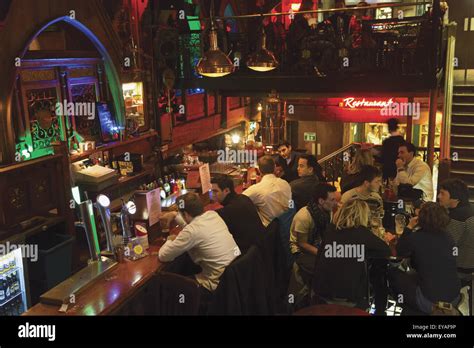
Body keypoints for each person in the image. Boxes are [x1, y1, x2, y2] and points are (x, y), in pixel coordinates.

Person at [312, 199, 391, 314]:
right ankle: (379, 310)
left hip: (321, 293)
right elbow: (386, 251)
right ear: (364, 215)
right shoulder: (363, 233)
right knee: (378, 271)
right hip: (351, 298)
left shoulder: (330, 231)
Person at [158, 192, 241, 296]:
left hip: (216, 285)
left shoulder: (191, 231)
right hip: (234, 277)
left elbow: (163, 256)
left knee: (167, 286)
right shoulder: (212, 215)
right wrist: (175, 215)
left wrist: (169, 240)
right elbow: (193, 225)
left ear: (185, 214)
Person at [389, 202, 461, 314]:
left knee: (393, 274)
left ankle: (406, 307)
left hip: (429, 302)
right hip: (454, 298)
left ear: (421, 218)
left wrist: (409, 227)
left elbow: (400, 252)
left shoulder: (416, 238)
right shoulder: (449, 237)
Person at [288, 183, 338, 309]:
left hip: (318, 246)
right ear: (321, 201)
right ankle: (313, 302)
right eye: (332, 200)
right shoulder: (304, 216)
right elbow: (302, 244)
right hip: (300, 252)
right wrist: (323, 254)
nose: (335, 203)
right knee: (327, 268)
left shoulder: (327, 212)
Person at [211, 175, 265, 254]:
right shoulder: (244, 197)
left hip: (246, 254)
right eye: (212, 191)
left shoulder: (226, 211)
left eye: (215, 191)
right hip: (261, 247)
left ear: (226, 191)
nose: (212, 195)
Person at [438, 179, 474, 281]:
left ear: (455, 198)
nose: (439, 197)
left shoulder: (458, 218)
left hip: (460, 268)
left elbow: (446, 246)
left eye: (442, 194)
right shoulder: (470, 208)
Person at [243, 155, 292, 227]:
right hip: (288, 224)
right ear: (274, 167)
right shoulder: (286, 184)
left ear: (259, 170)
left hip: (269, 231)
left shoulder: (256, 189)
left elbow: (239, 201)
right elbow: (291, 203)